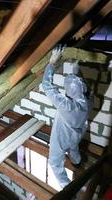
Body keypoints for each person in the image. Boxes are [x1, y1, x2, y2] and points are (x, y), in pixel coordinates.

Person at [42, 48, 91, 189]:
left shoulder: (66, 105)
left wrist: (51, 63)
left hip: (61, 137)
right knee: (73, 148)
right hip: (77, 134)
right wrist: (76, 69)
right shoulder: (85, 102)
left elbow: (47, 86)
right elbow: (82, 89)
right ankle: (77, 162)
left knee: (55, 163)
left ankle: (67, 187)